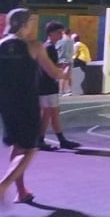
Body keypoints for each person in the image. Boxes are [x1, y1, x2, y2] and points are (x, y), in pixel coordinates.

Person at [0, 8, 70, 205]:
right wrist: (64, 73)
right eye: (31, 22)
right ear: (25, 24)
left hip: (6, 105)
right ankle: (4, 184)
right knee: (31, 148)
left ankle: (21, 191)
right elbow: (52, 73)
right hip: (27, 104)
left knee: (17, 146)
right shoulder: (34, 46)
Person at [38, 22, 80, 150]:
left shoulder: (45, 47)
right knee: (52, 113)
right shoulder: (50, 48)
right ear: (51, 33)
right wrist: (65, 69)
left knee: (48, 113)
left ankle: (43, 139)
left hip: (44, 84)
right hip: (48, 85)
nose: (61, 35)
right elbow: (52, 68)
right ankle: (57, 140)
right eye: (59, 33)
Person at [55, 29, 75, 96]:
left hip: (62, 60)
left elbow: (56, 48)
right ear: (69, 33)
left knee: (62, 76)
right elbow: (73, 51)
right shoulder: (71, 41)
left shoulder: (60, 40)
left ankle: (61, 91)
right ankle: (69, 90)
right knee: (68, 76)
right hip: (69, 60)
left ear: (63, 33)